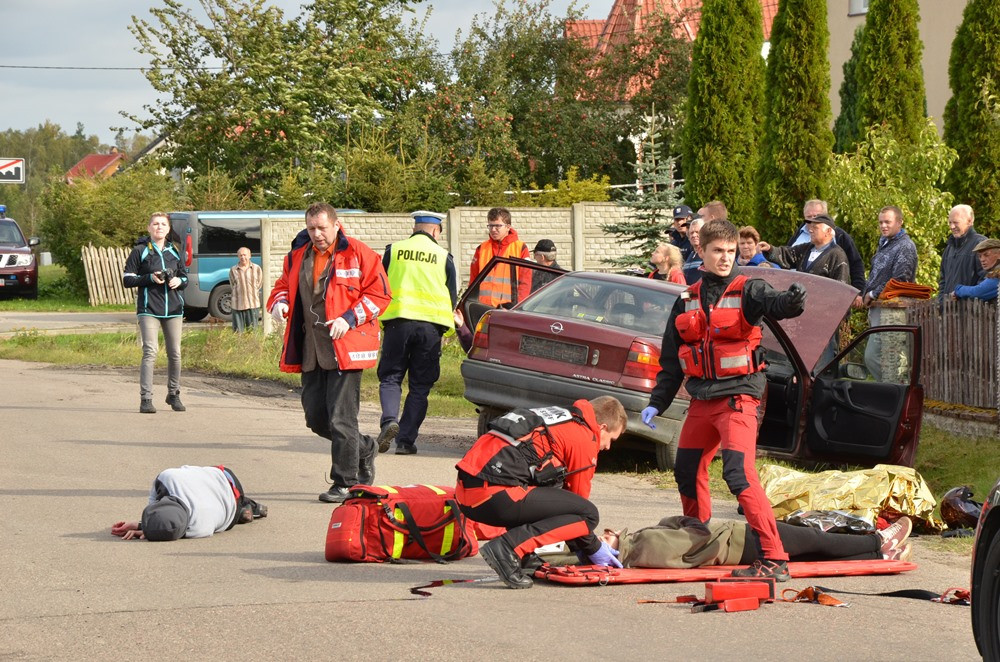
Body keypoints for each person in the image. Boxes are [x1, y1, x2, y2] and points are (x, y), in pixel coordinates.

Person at [640, 216, 807, 582]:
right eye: (719, 251)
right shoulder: (686, 299)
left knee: (739, 475)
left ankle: (775, 557)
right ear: (701, 251)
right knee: (685, 469)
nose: (726, 258)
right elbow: (672, 360)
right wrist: (658, 402)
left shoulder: (750, 289)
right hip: (702, 401)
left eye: (731, 251)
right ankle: (696, 538)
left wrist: (792, 302)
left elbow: (777, 304)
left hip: (739, 399)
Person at [266, 203, 390, 503]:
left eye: (322, 227)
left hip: (345, 347)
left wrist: (349, 319)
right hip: (311, 348)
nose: (317, 234)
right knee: (317, 419)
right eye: (312, 228)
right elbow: (282, 286)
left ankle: (344, 482)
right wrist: (280, 303)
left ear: (336, 225)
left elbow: (380, 295)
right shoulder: (298, 255)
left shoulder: (361, 254)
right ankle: (365, 448)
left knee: (341, 419)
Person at [456, 396, 628, 589]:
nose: (608, 447)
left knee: (545, 490)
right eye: (611, 439)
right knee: (588, 514)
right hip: (492, 496)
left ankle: (524, 558)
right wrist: (592, 548)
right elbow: (577, 507)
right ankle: (508, 548)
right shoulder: (584, 436)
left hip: (467, 494)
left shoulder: (558, 416)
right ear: (602, 427)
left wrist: (582, 545)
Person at [376, 211, 458, 456]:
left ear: (415, 228)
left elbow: (380, 284)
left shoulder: (394, 250)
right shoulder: (444, 256)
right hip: (430, 329)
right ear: (436, 231)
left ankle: (389, 420)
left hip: (397, 323)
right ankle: (405, 441)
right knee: (420, 386)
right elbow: (451, 295)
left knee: (391, 377)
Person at [597, 515, 913, 568]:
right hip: (738, 537)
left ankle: (880, 558)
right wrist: (672, 520)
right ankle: (878, 541)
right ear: (611, 542)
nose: (605, 532)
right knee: (814, 539)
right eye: (604, 535)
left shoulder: (637, 555)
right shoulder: (646, 540)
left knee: (808, 558)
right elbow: (697, 526)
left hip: (734, 552)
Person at [122, 212, 188, 414]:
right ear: (149, 228)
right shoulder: (140, 251)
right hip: (149, 308)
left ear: (168, 229)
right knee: (150, 351)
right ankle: (146, 398)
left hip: (174, 309)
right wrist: (150, 278)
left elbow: (185, 278)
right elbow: (127, 280)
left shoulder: (175, 252)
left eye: (163, 224)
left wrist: (179, 281)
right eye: (155, 224)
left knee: (175, 353)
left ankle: (173, 394)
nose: (159, 227)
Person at [762, 214, 850, 366]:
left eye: (815, 228)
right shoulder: (806, 249)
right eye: (810, 227)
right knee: (804, 358)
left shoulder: (837, 255)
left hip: (823, 320)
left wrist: (832, 317)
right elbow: (788, 255)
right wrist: (770, 249)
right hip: (803, 315)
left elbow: (841, 290)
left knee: (823, 361)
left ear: (828, 231)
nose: (810, 230)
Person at [110, 465, 267, 541]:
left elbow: (176, 528)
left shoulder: (198, 528)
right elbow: (153, 503)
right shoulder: (167, 477)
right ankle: (249, 506)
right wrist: (144, 524)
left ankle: (245, 510)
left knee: (226, 511)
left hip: (232, 506)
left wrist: (147, 528)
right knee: (204, 486)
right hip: (222, 475)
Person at [862, 205, 918, 381]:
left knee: (876, 357)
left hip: (892, 311)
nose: (883, 226)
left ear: (899, 222)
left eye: (888, 222)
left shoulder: (905, 246)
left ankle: (897, 391)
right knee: (883, 358)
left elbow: (900, 280)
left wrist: (872, 294)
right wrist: (864, 293)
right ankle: (893, 392)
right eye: (880, 222)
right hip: (879, 309)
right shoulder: (885, 244)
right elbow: (876, 275)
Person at [788, 200, 866, 299]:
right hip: (796, 295)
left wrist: (858, 292)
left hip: (825, 297)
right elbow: (787, 256)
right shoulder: (798, 235)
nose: (813, 220)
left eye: (817, 216)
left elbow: (855, 264)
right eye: (809, 217)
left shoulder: (839, 236)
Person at [469, 207, 531, 306]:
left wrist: (518, 307)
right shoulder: (481, 248)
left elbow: (525, 283)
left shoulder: (520, 248)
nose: (493, 230)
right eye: (490, 226)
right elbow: (473, 281)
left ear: (508, 226)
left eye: (497, 226)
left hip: (508, 310)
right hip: (482, 308)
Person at [939, 204, 986, 297]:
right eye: (950, 222)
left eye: (956, 222)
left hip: (972, 309)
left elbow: (987, 279)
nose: (952, 226)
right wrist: (941, 304)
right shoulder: (949, 248)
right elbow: (943, 281)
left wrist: (969, 300)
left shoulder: (980, 244)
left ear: (969, 221)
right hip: (949, 309)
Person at [228, 246, 263, 333]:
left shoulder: (257, 268)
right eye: (240, 255)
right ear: (238, 257)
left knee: (252, 332)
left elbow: (259, 284)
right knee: (238, 333)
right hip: (237, 305)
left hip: (253, 304)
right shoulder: (233, 270)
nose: (243, 257)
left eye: (245, 255)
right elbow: (232, 285)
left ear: (250, 255)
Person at [681, 217, 706, 285]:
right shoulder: (691, 254)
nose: (694, 235)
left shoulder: (707, 254)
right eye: (691, 233)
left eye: (697, 232)